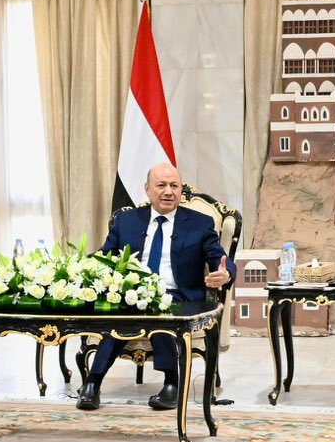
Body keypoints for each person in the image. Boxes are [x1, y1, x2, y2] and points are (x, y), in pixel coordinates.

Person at [76, 163, 233, 412]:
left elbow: (218, 257)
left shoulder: (200, 223)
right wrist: (80, 268)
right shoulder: (126, 221)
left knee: (161, 311)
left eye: (174, 186)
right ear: (147, 189)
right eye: (161, 185)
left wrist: (224, 273)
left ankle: (171, 383)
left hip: (179, 295)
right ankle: (92, 383)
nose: (169, 191)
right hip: (132, 293)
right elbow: (105, 258)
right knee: (117, 317)